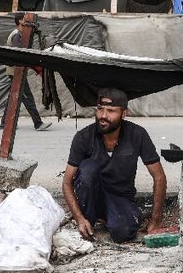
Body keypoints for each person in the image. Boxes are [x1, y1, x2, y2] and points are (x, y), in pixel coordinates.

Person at [61, 88, 167, 242]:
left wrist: (156, 220)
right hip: (92, 196)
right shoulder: (83, 137)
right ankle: (88, 220)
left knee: (123, 233)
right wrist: (79, 218)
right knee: (88, 168)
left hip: (121, 197)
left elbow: (159, 177)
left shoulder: (138, 135)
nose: (103, 116)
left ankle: (110, 217)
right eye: (100, 109)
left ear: (124, 114)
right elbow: (66, 181)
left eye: (111, 111)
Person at [0, 13, 52, 131]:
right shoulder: (17, 36)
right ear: (20, 21)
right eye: (25, 20)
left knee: (13, 98)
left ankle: (4, 123)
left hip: (15, 72)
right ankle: (37, 123)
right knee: (28, 98)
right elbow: (18, 55)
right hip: (16, 73)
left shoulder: (19, 34)